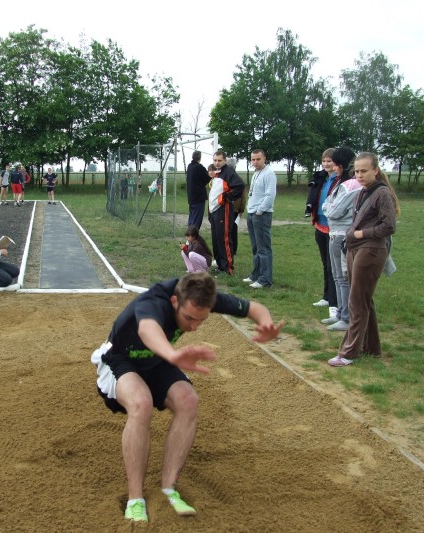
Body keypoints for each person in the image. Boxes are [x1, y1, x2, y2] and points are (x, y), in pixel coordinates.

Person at [90, 272, 284, 523]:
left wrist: (266, 323)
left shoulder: (202, 296)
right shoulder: (154, 302)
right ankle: (135, 498)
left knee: (188, 400)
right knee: (141, 403)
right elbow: (147, 328)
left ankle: (169, 488)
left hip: (159, 359)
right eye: (189, 318)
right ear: (174, 302)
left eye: (200, 321)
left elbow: (254, 308)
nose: (193, 327)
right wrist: (172, 355)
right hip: (121, 359)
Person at [329, 152, 400, 367]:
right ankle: (371, 347)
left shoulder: (382, 194)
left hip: (371, 250)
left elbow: (389, 226)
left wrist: (361, 234)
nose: (359, 175)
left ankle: (349, 353)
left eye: (364, 171)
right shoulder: (363, 192)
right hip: (355, 249)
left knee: (356, 301)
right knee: (364, 299)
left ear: (375, 171)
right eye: (357, 171)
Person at [322, 147, 363, 331]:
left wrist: (330, 208)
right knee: (337, 276)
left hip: (342, 234)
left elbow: (334, 211)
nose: (334, 168)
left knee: (343, 277)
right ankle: (340, 312)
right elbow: (326, 205)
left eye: (336, 164)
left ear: (341, 165)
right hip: (334, 233)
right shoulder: (340, 183)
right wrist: (330, 208)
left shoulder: (351, 185)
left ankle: (346, 318)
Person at [309, 149, 339, 321]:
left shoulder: (340, 180)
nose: (327, 164)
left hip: (333, 227)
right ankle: (327, 296)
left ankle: (335, 303)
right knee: (325, 264)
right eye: (324, 161)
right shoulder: (322, 178)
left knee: (333, 265)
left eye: (330, 161)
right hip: (320, 224)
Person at [242, 149, 276, 289]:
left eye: (258, 159)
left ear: (264, 159)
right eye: (253, 159)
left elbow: (270, 195)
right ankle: (256, 274)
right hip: (252, 213)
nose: (255, 162)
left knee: (263, 248)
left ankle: (265, 279)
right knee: (255, 247)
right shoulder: (256, 173)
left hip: (261, 215)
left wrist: (259, 211)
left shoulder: (269, 174)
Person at [208, 151, 245, 274]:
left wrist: (227, 197)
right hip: (214, 211)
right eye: (215, 160)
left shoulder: (228, 172)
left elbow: (239, 185)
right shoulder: (217, 173)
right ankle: (220, 264)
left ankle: (227, 267)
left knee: (223, 238)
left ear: (224, 161)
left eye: (219, 160)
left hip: (223, 210)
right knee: (216, 238)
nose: (217, 162)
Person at [185, 150, 209, 230]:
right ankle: (192, 237)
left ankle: (189, 235)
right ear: (200, 158)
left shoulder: (189, 166)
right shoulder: (199, 167)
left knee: (192, 218)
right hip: (198, 197)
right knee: (196, 219)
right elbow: (208, 177)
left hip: (191, 197)